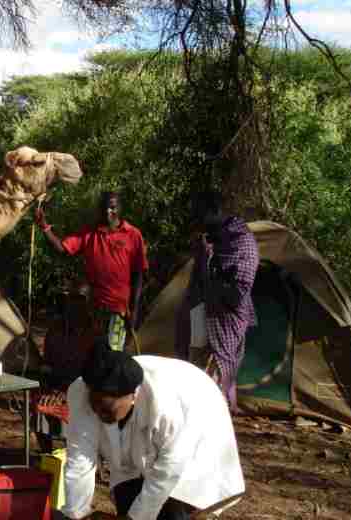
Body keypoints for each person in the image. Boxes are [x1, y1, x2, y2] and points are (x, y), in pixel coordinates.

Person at [62, 348, 245, 520]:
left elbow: (169, 468)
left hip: (197, 422)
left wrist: (137, 518)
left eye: (107, 409)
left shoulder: (165, 406)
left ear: (133, 395)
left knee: (173, 505)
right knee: (127, 495)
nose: (99, 414)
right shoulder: (80, 394)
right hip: (140, 450)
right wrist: (75, 514)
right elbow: (80, 459)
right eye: (95, 405)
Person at [175, 191, 258, 414]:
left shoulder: (241, 241)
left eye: (201, 214)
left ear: (215, 212)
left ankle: (214, 418)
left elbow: (238, 291)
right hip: (201, 316)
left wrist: (211, 260)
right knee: (197, 372)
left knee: (215, 379)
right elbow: (197, 283)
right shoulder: (209, 238)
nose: (197, 220)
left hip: (225, 319)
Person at [36, 191, 148, 351]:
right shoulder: (89, 234)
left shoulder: (133, 235)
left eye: (113, 207)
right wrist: (45, 227)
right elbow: (62, 248)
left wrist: (135, 310)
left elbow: (139, 275)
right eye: (104, 208)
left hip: (120, 311)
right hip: (94, 309)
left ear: (120, 208)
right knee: (94, 355)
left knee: (113, 355)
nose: (108, 211)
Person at [34, 279, 100, 452]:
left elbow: (96, 375)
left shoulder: (96, 335)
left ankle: (77, 455)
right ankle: (47, 457)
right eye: (71, 299)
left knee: (75, 407)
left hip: (83, 392)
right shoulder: (55, 331)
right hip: (57, 388)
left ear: (90, 304)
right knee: (39, 403)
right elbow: (47, 366)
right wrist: (48, 390)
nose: (75, 304)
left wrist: (68, 393)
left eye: (81, 299)